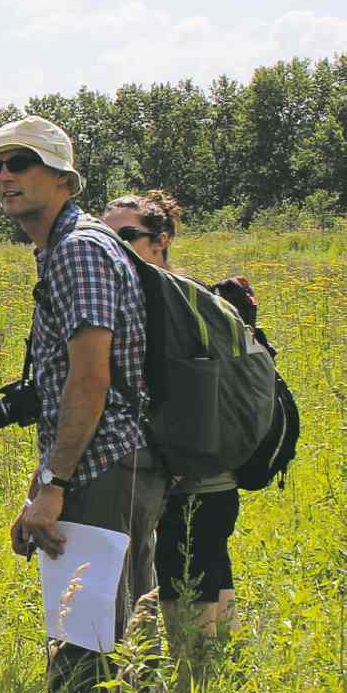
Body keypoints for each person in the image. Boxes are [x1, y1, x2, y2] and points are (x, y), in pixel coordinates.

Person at [0, 117, 166, 693]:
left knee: (94, 643)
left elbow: (91, 379)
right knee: (106, 627)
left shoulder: (79, 251)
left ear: (63, 176)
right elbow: (68, 388)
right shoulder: (64, 246)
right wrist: (42, 485)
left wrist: (57, 483)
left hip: (107, 463)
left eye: (21, 163)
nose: (5, 176)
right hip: (100, 463)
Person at [103, 191, 243, 645]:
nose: (118, 248)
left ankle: (195, 688)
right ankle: (222, 671)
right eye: (109, 239)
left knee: (187, 574)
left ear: (161, 240)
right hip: (205, 466)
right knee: (209, 566)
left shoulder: (174, 302)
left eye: (128, 236)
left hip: (195, 468)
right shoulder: (178, 294)